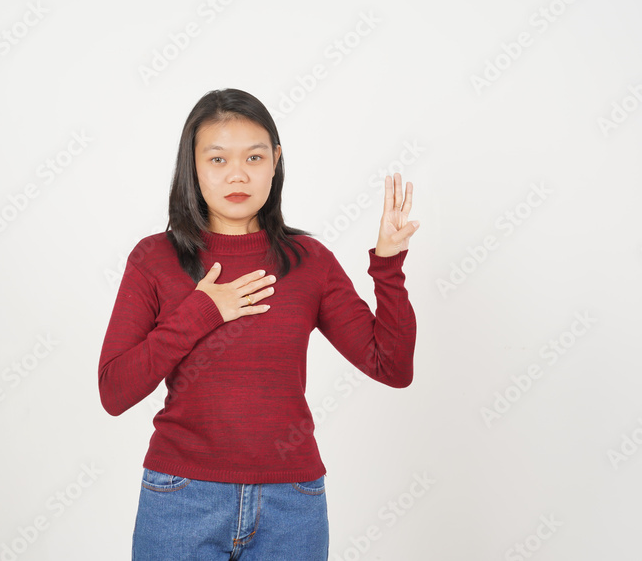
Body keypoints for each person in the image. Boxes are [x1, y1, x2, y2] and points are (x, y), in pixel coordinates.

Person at [98, 88, 419, 560]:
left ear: (275, 162)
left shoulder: (309, 261)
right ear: (192, 166)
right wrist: (203, 310)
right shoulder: (155, 258)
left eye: (254, 157)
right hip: (181, 497)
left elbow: (392, 367)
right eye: (218, 159)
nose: (238, 174)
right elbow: (114, 391)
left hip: (292, 503)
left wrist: (388, 265)